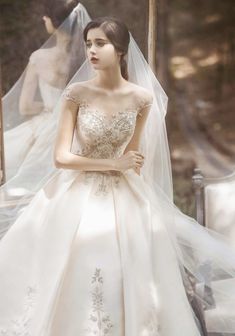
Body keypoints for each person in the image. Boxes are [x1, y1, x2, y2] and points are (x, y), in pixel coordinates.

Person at [1, 6, 235, 335]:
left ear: (120, 50)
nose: (92, 51)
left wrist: (132, 169)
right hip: (76, 191)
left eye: (100, 44)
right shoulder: (76, 94)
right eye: (89, 43)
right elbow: (61, 158)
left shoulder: (141, 99)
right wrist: (113, 164)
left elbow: (133, 154)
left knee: (137, 264)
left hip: (125, 194)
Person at [2, 0, 89, 180]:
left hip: (44, 128)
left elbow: (24, 107)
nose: (43, 18)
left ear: (56, 23)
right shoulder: (86, 61)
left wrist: (48, 109)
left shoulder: (38, 58)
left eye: (47, 15)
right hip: (78, 131)